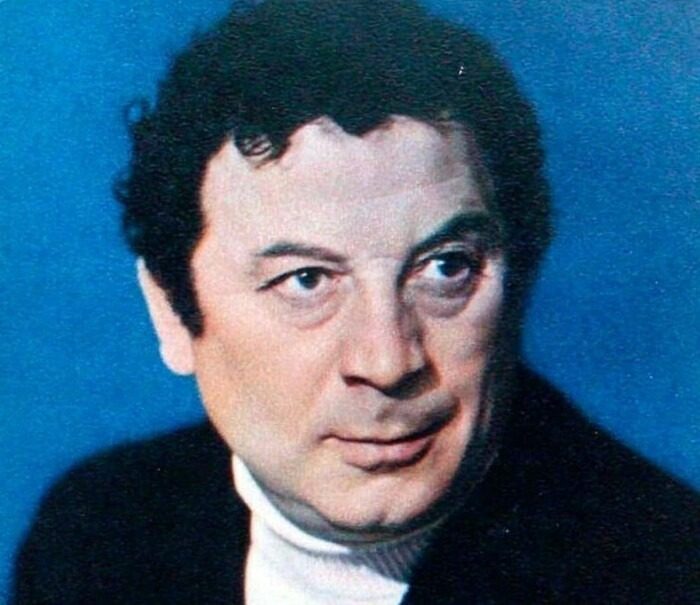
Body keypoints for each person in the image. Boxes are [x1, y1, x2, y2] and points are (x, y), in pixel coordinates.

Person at [12, 1, 698, 603]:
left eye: (446, 268)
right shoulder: (96, 535)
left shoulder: (663, 571)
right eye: (306, 280)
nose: (387, 361)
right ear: (171, 311)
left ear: (519, 282)